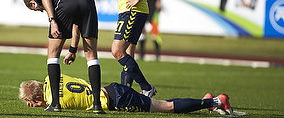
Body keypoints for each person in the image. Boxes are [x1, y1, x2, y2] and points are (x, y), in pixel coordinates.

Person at [22, 0, 105, 114]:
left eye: (38, 9)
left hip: (67, 1)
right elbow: (76, 22)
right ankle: (97, 105)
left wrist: (52, 20)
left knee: (53, 54)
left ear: (32, 3)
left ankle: (55, 103)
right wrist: (73, 49)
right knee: (91, 56)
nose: (43, 10)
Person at [19, 73, 234, 115]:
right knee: (159, 104)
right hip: (113, 89)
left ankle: (214, 101)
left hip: (117, 100)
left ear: (38, 98)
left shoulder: (60, 104)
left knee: (165, 107)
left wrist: (43, 104)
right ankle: (205, 101)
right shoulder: (53, 78)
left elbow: (54, 103)